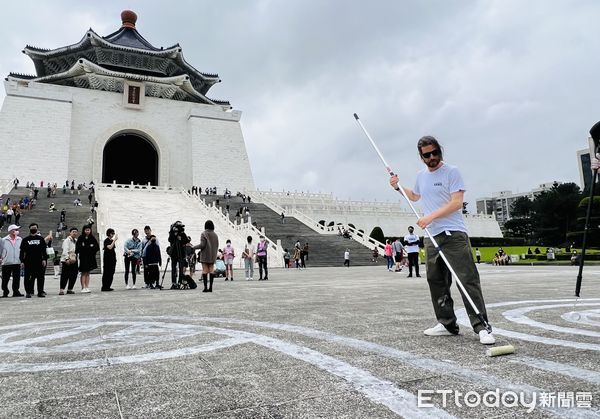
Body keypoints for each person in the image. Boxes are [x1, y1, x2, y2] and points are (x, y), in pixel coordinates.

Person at [389, 135, 495, 345]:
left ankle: (482, 326)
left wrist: (430, 217)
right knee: (436, 280)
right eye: (427, 155)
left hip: (453, 234)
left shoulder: (452, 172)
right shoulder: (421, 176)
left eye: (435, 152)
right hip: (431, 236)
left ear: (440, 151)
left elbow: (457, 203)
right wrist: (397, 187)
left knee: (466, 279)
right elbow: (415, 196)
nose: (432, 157)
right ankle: (447, 323)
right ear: (421, 157)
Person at [19, 223, 49, 298]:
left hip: (39, 261)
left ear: (37, 229)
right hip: (28, 262)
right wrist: (22, 261)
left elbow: (44, 251)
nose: (33, 229)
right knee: (27, 278)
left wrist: (44, 259)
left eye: (35, 227)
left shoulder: (41, 239)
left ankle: (40, 292)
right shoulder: (25, 240)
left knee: (41, 277)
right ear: (29, 229)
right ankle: (28, 292)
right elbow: (22, 251)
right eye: (32, 227)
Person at [192, 220, 219, 292]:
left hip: (205, 255)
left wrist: (194, 247)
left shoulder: (204, 234)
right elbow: (217, 245)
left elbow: (202, 245)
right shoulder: (215, 235)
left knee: (205, 270)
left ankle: (205, 287)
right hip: (213, 255)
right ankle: (210, 287)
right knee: (211, 269)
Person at [1, 224, 24, 297]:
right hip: (6, 262)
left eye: (17, 230)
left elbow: (22, 251)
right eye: (16, 230)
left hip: (17, 262)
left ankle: (16, 291)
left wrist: (22, 260)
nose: (17, 231)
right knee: (5, 279)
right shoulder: (4, 240)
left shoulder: (20, 239)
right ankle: (5, 291)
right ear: (10, 231)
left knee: (16, 279)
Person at [76, 225, 99, 293]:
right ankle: (83, 287)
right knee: (83, 272)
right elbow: (79, 247)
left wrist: (87, 247)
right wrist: (89, 247)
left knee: (88, 272)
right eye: (86, 230)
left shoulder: (92, 238)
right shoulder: (81, 238)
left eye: (88, 230)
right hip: (83, 257)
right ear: (84, 230)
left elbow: (96, 247)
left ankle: (87, 286)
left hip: (90, 257)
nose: (87, 231)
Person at [168, 221, 190, 289]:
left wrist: (181, 239)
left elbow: (186, 240)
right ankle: (174, 283)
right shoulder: (172, 233)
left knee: (181, 268)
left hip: (181, 253)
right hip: (174, 254)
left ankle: (180, 281)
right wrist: (174, 235)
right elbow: (170, 240)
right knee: (174, 269)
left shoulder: (182, 233)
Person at [59, 227, 79, 295]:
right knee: (65, 275)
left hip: (74, 259)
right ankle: (62, 289)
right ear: (70, 232)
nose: (74, 233)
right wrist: (67, 259)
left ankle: (70, 289)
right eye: (73, 231)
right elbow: (65, 250)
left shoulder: (76, 240)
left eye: (76, 232)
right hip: (66, 260)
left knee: (74, 275)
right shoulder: (67, 240)